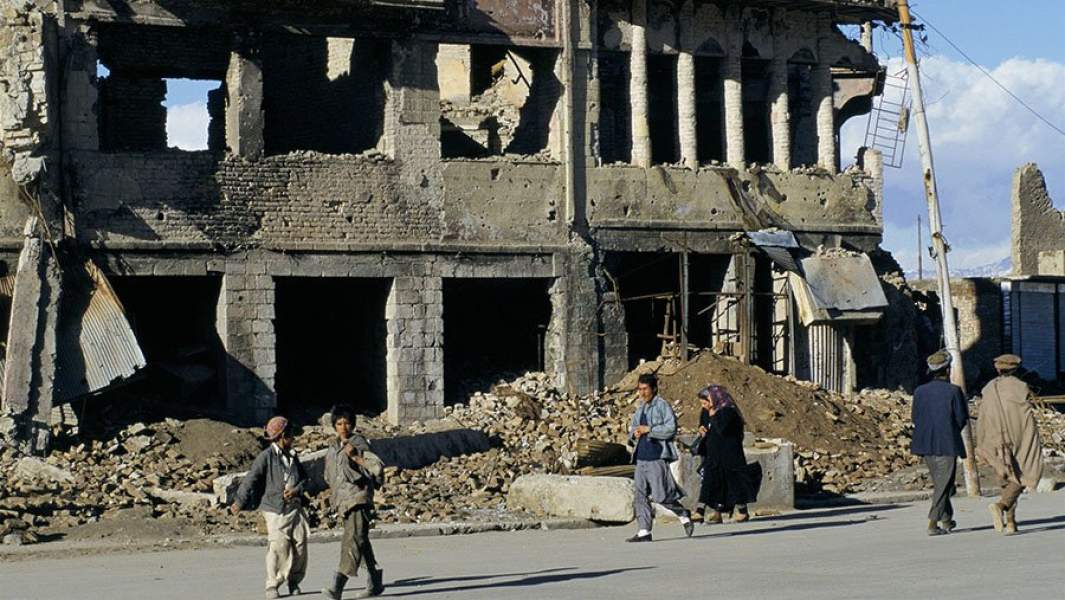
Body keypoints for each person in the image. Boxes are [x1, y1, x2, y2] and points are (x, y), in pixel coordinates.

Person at [230, 416, 310, 599]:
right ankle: (272, 584)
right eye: (290, 435)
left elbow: (305, 479)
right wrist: (239, 502)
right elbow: (251, 479)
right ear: (281, 436)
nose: (293, 438)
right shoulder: (265, 457)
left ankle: (294, 581)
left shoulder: (293, 455)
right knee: (278, 546)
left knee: (300, 545)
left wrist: (296, 490)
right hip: (275, 508)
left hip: (295, 507)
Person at [321, 405, 386, 599]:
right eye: (339, 423)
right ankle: (375, 582)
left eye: (347, 423)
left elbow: (376, 468)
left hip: (358, 499)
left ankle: (337, 586)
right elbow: (329, 475)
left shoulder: (358, 443)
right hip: (343, 502)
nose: (343, 427)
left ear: (353, 424)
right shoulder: (333, 446)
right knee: (361, 541)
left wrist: (356, 457)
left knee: (352, 541)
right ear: (334, 425)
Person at [976, 354, 1044, 536]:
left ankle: (1011, 521)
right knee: (1024, 472)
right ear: (1015, 369)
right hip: (1019, 436)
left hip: (995, 438)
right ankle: (1003, 507)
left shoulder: (988, 389)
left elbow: (983, 415)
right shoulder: (1021, 387)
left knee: (1005, 476)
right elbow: (1025, 415)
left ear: (998, 369)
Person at [626, 373, 694, 542]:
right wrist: (633, 434)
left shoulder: (662, 406)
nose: (642, 393)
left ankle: (683, 513)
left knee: (660, 496)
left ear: (654, 389)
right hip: (641, 457)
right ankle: (644, 531)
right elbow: (633, 428)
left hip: (657, 456)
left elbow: (671, 429)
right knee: (640, 495)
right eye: (640, 389)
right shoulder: (640, 408)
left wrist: (650, 430)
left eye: (645, 389)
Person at [910, 350, 969, 536]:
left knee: (943, 483)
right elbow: (961, 418)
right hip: (947, 443)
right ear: (948, 369)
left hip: (925, 444)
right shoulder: (954, 391)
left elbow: (915, 417)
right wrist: (949, 431)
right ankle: (932, 522)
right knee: (944, 485)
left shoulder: (919, 391)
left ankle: (946, 519)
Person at [695, 385, 755, 524]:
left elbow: (722, 429)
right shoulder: (706, 410)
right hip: (713, 452)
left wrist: (713, 415)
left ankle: (742, 511)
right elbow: (703, 424)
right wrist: (701, 428)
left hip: (730, 454)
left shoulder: (728, 411)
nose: (704, 406)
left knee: (734, 483)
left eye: (705, 402)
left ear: (714, 399)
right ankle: (700, 511)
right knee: (709, 480)